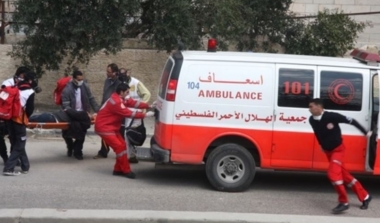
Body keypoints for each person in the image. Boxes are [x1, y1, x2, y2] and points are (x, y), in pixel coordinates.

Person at [308, 98, 372, 213]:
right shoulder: (311, 120)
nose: (309, 109)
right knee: (345, 176)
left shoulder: (331, 116)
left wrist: (365, 132)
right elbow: (317, 133)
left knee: (333, 175)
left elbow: (351, 120)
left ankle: (343, 202)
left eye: (311, 106)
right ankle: (365, 196)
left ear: (319, 107)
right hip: (328, 152)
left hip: (338, 150)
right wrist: (321, 145)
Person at [94, 83, 155, 179]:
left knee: (122, 146)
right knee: (120, 147)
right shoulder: (116, 102)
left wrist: (149, 106)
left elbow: (133, 103)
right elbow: (128, 113)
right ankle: (126, 170)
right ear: (121, 92)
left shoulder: (120, 97)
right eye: (127, 92)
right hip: (104, 127)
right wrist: (145, 115)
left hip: (111, 127)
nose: (128, 94)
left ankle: (118, 169)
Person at [94, 67, 151, 163]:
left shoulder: (135, 83)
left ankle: (128, 157)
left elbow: (141, 97)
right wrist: (144, 114)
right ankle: (125, 160)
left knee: (129, 135)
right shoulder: (116, 90)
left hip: (129, 114)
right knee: (122, 140)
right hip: (122, 114)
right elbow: (123, 107)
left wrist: (146, 106)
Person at [3, 71, 37, 176]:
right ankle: (8, 168)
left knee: (16, 142)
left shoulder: (15, 87)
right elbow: (30, 109)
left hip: (8, 119)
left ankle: (25, 166)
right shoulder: (30, 91)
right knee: (20, 144)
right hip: (19, 120)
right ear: (30, 81)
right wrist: (26, 118)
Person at [61, 70, 99, 160]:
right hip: (71, 113)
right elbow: (66, 106)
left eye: (82, 79)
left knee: (82, 131)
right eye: (78, 79)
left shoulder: (85, 86)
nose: (80, 81)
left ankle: (78, 151)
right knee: (66, 133)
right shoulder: (67, 89)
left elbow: (91, 98)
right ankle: (70, 146)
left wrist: (98, 110)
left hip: (83, 113)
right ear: (74, 79)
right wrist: (75, 114)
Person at [1, 66, 31, 165]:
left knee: (15, 139)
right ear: (19, 75)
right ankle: (6, 158)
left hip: (16, 117)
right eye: (23, 75)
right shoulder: (7, 84)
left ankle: (13, 159)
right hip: (5, 116)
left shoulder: (24, 86)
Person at [93, 63, 122, 159]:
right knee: (106, 131)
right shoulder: (107, 81)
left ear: (115, 73)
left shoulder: (120, 83)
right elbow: (105, 95)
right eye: (107, 71)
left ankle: (121, 151)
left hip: (115, 111)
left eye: (109, 72)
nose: (107, 73)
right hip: (106, 110)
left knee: (117, 131)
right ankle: (104, 151)